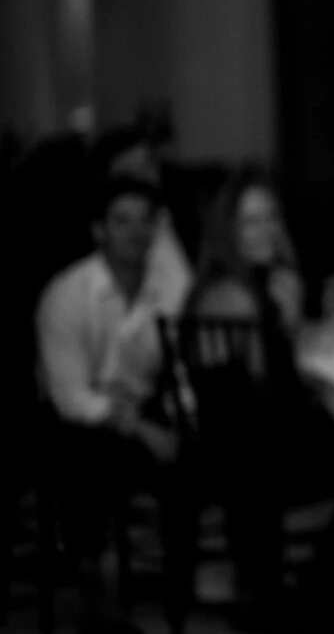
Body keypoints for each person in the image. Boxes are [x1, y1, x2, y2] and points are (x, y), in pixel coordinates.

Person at [186, 169, 334, 625]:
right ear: (228, 230)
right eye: (250, 221)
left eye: (271, 217)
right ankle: (321, 600)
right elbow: (265, 390)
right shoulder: (231, 294)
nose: (265, 230)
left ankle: (323, 596)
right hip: (246, 451)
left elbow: (282, 380)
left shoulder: (263, 282)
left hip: (258, 439)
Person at [35, 176, 193, 634]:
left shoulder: (166, 289)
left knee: (187, 456)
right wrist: (139, 426)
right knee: (89, 454)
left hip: (140, 407)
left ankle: (178, 591)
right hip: (75, 421)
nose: (136, 232)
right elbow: (71, 397)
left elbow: (178, 365)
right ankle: (93, 589)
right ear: (98, 230)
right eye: (122, 221)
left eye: (146, 221)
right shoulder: (67, 294)